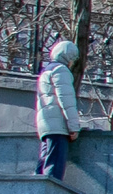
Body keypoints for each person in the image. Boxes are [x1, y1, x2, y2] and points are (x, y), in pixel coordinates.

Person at [34, 41, 83, 181]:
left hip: (46, 125)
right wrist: (73, 127)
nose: (73, 63)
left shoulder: (46, 71)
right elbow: (66, 101)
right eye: (73, 59)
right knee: (53, 170)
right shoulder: (61, 70)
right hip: (58, 126)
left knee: (43, 164)